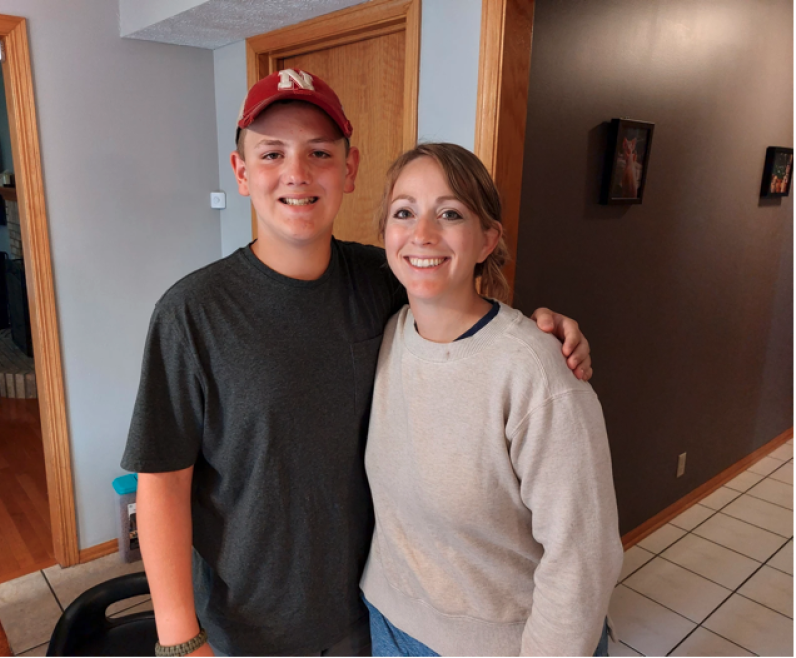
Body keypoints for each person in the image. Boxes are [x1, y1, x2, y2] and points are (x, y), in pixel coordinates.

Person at [121, 70, 594, 657]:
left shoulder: (384, 279)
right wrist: (179, 638)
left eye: (319, 152)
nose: (297, 173)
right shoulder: (192, 312)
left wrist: (543, 328)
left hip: (371, 614)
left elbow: (466, 320)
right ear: (242, 173)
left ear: (348, 170)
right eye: (272, 154)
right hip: (247, 626)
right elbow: (161, 480)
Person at [360, 143, 622, 657]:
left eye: (450, 213)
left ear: (487, 240)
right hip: (389, 624)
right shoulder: (389, 330)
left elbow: (582, 558)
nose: (422, 234)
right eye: (404, 212)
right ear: (385, 235)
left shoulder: (535, 371)